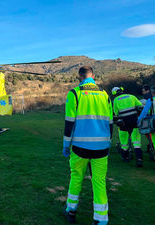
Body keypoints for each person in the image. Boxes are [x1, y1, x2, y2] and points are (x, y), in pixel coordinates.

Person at [63, 66, 113, 225]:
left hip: (79, 146)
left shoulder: (75, 93)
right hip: (102, 147)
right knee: (99, 182)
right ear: (93, 76)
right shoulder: (105, 95)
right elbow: (110, 122)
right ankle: (100, 219)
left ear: (80, 76)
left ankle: (71, 210)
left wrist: (66, 144)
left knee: (76, 177)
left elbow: (69, 122)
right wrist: (108, 141)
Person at [112, 86, 143, 167]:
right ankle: (139, 159)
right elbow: (140, 106)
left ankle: (125, 157)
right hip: (134, 121)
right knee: (136, 142)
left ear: (115, 94)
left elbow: (116, 113)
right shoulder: (132, 96)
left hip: (123, 124)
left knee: (124, 142)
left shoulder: (116, 100)